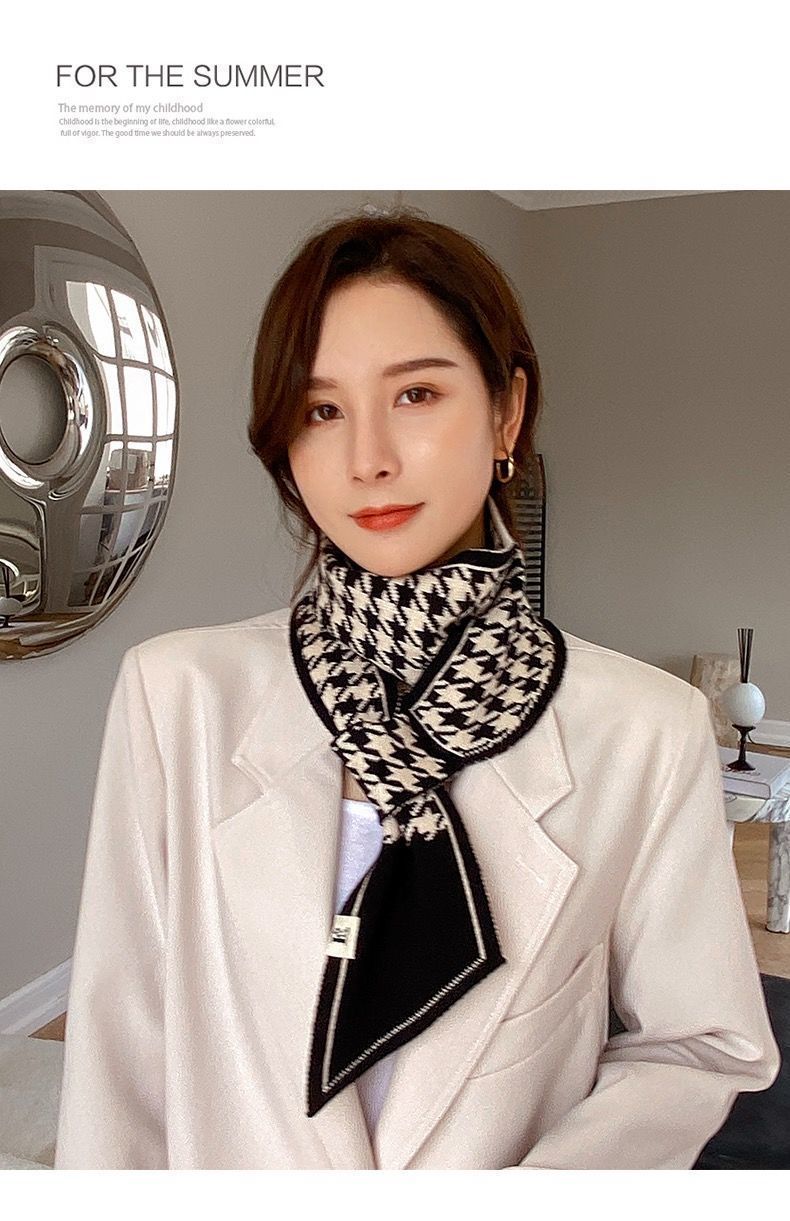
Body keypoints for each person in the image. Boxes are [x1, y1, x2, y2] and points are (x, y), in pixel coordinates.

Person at [54, 210, 780, 1170]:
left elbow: (699, 1046)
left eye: (417, 394)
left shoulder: (646, 731)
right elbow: (119, 1063)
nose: (368, 459)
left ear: (506, 413)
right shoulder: (176, 696)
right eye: (321, 410)